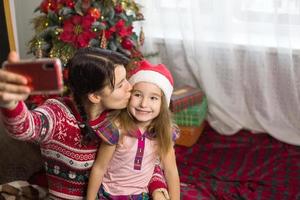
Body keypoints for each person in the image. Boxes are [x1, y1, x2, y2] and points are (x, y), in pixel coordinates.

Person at [0, 48, 169, 199]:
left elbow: (146, 159)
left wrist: (158, 189)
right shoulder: (57, 114)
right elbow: (25, 127)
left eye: (126, 79)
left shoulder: (123, 115)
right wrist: (11, 104)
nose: (130, 88)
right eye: (120, 85)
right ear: (95, 96)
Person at [87, 60, 180, 200]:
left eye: (153, 98)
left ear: (163, 105)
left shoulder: (163, 132)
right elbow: (99, 167)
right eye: (137, 95)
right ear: (129, 96)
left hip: (140, 195)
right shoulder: (116, 129)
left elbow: (171, 171)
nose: (143, 104)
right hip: (110, 194)